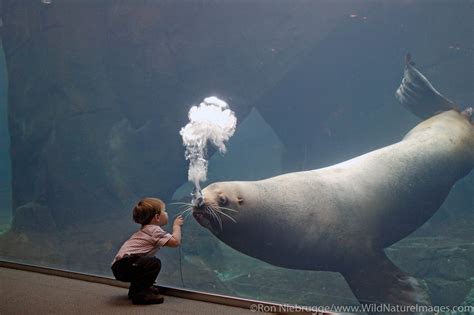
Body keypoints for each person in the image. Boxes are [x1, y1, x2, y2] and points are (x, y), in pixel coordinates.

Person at [111, 197, 184, 305]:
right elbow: (175, 242)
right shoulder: (154, 230)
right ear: (157, 217)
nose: (166, 213)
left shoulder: (146, 229)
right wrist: (176, 226)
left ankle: (136, 291)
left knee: (145, 263)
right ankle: (142, 295)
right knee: (153, 263)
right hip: (127, 265)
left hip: (120, 267)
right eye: (164, 211)